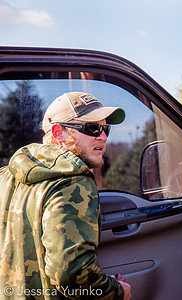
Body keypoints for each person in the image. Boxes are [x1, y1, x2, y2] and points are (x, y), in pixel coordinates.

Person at [0, 92, 131, 299]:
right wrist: (117, 291)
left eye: (106, 128)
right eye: (92, 128)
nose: (103, 136)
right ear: (58, 132)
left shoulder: (6, 177)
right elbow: (72, 275)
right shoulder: (74, 181)